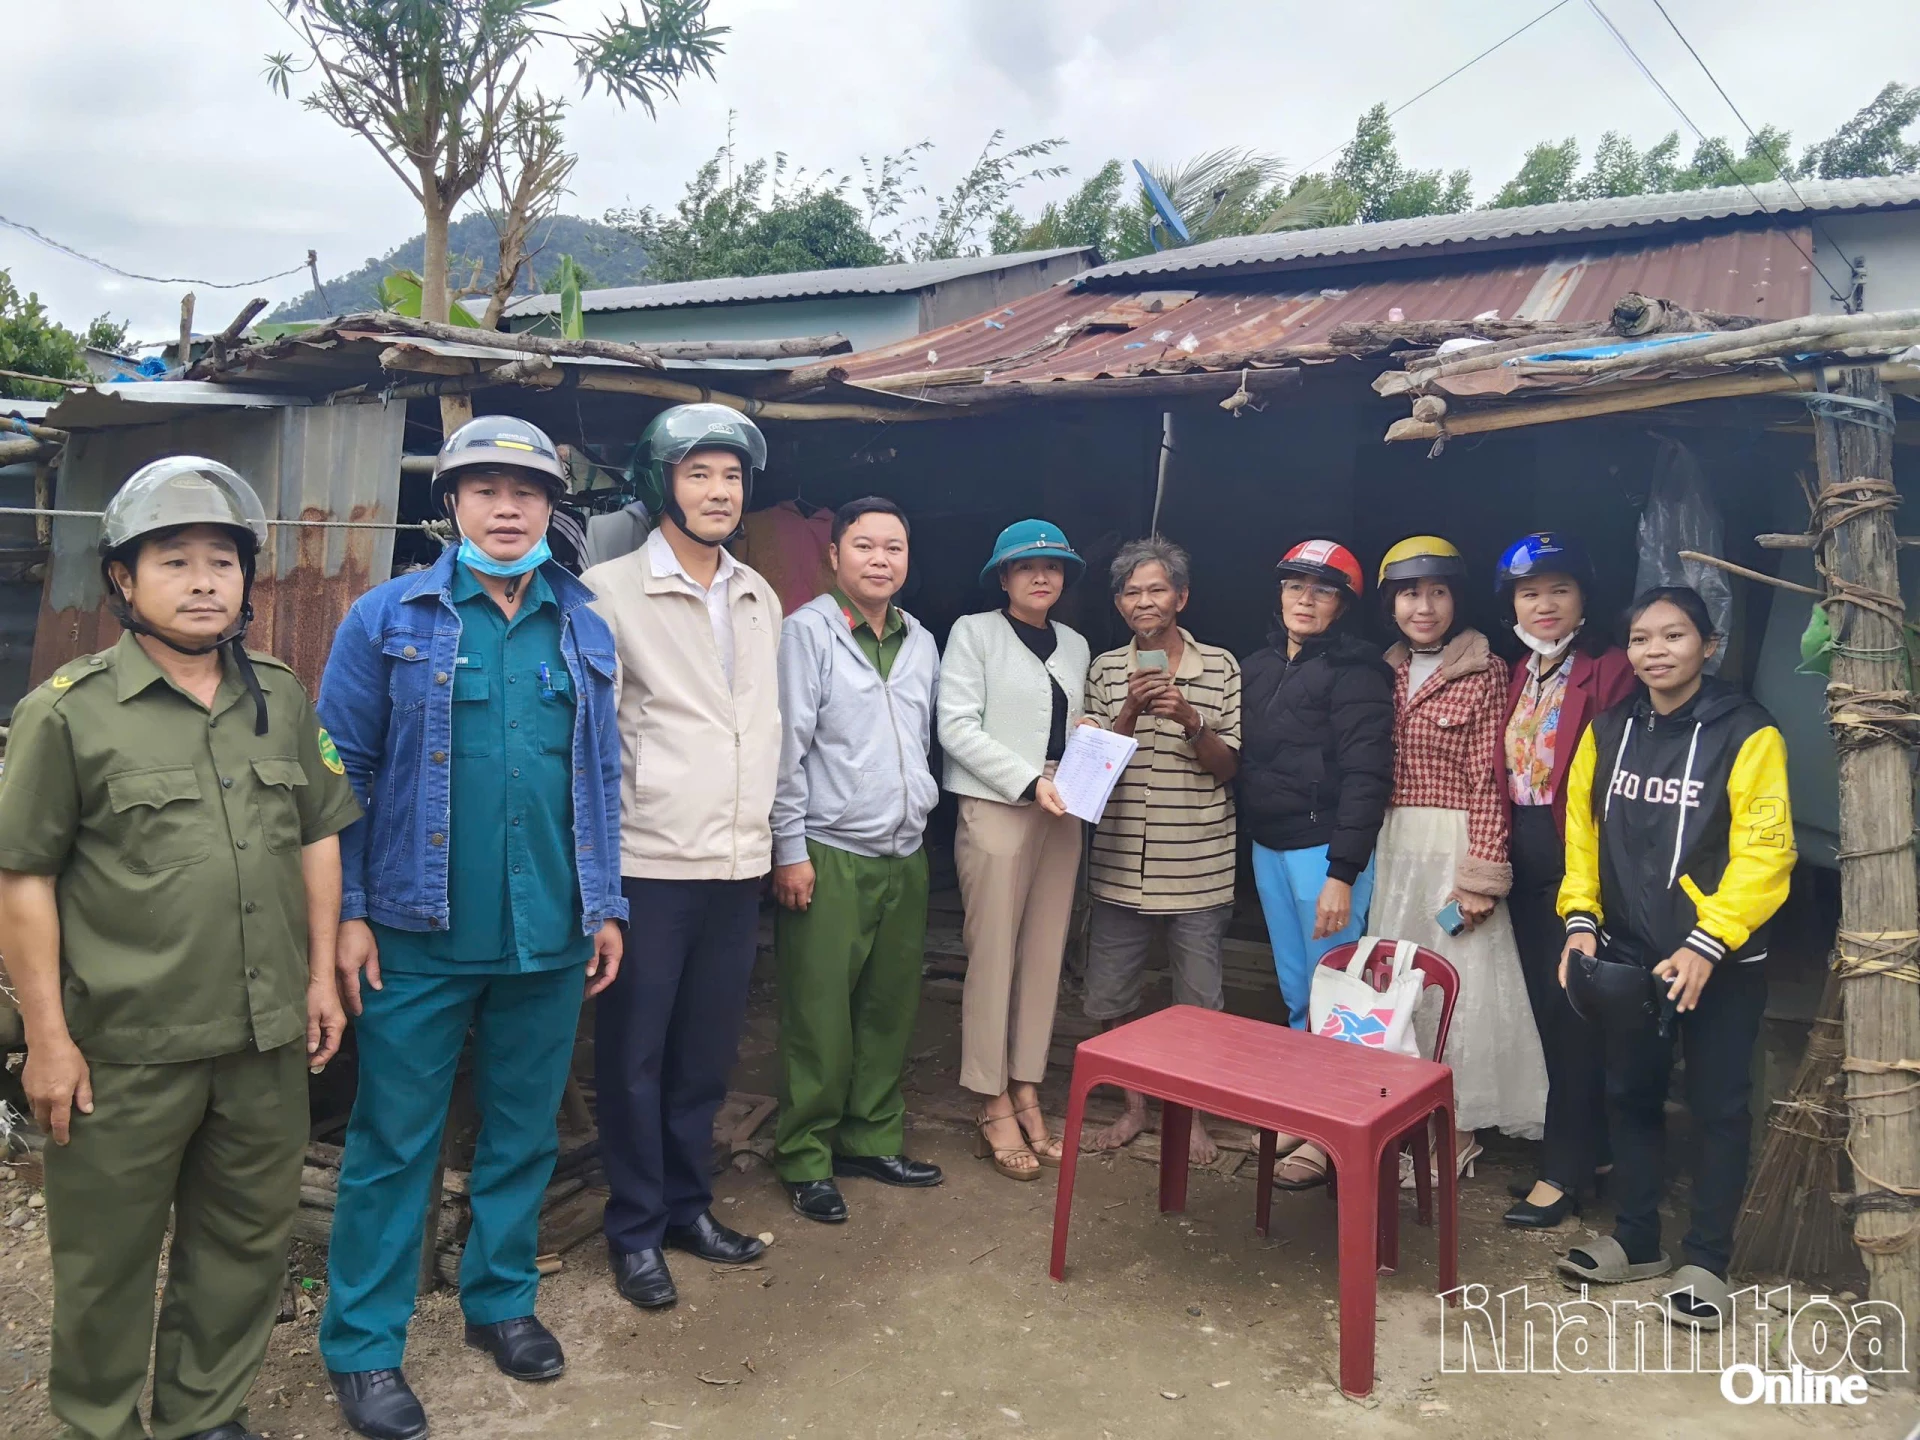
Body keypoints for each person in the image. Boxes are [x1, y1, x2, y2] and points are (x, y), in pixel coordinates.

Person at [0, 457, 360, 1440]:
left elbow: (317, 833)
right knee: (105, 1261)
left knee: (242, 1245)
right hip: (121, 1048)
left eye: (221, 561)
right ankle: (99, 1422)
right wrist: (46, 1037)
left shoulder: (280, 698)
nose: (203, 581)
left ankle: (203, 1411)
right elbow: (22, 875)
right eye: (174, 560)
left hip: (260, 1038)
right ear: (122, 579)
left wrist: (323, 972)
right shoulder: (67, 713)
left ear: (247, 579)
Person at [316, 417, 626, 1440]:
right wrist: (350, 914)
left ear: (551, 509)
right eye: (484, 489)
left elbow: (600, 777)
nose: (506, 507)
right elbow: (338, 781)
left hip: (550, 930)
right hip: (416, 930)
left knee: (523, 1132)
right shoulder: (385, 618)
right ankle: (364, 1346)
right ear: (450, 504)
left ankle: (500, 1302)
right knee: (392, 1142)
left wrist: (606, 901)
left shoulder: (581, 621)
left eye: (526, 491)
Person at [579, 403, 783, 1308]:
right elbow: (592, 740)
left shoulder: (758, 591)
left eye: (731, 476)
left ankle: (687, 1207)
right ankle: (633, 1229)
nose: (718, 491)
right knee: (635, 1056)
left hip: (737, 864)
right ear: (663, 482)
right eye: (699, 473)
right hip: (650, 865)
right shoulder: (610, 590)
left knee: (705, 1054)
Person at [1553, 586, 1793, 1330]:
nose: (1655, 651)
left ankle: (1707, 1260)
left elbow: (1767, 852)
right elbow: (1583, 834)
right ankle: (1637, 1238)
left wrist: (1708, 939)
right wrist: (1580, 920)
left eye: (1674, 636)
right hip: (1629, 952)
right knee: (1631, 1093)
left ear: (1708, 646)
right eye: (1641, 638)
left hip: (1721, 958)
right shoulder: (1609, 730)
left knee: (1720, 1104)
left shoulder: (1748, 733)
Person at [769, 496, 944, 1223]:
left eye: (894, 547)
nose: (881, 559)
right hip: (827, 851)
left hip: (904, 851)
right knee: (820, 1015)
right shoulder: (805, 634)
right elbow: (787, 749)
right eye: (865, 546)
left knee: (887, 1006)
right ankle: (806, 1154)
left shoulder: (922, 641)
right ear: (834, 556)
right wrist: (788, 850)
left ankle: (870, 1138)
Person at [1364, 537, 1547, 1187]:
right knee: (1397, 987)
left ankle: (1459, 1130)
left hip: (1449, 849)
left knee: (1456, 987)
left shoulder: (1485, 669)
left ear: (1455, 600)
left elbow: (1487, 781)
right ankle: (1401, 1119)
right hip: (1391, 850)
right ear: (1391, 603)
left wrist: (1480, 874)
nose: (1424, 606)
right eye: (1410, 593)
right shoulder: (1379, 669)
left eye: (1437, 592)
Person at [1080, 538, 1242, 1164]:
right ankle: (1133, 1108)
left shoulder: (1221, 667)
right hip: (1120, 863)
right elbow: (1090, 775)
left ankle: (1190, 1116)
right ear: (1119, 605)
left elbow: (1229, 770)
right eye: (1131, 592)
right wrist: (1126, 711)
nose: (1144, 601)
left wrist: (1191, 721)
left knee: (1198, 998)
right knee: (1109, 995)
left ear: (1181, 597)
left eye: (1156, 589)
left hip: (1197, 862)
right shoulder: (1101, 669)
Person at [938, 519, 1091, 1182]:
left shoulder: (1077, 644)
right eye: (1026, 567)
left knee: (1044, 953)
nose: (1041, 576)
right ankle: (989, 1094)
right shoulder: (975, 633)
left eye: (1053, 566)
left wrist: (1084, 744)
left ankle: (1027, 1081)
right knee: (994, 953)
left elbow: (1068, 725)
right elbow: (954, 726)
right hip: (999, 807)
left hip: (1064, 810)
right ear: (1003, 577)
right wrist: (1028, 779)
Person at [1239, 539, 1393, 1191]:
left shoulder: (1358, 672)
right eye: (1295, 585)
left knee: (1342, 996)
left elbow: (1367, 775)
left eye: (1323, 589)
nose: (1306, 598)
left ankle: (1338, 1134)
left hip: (1321, 853)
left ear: (1344, 605)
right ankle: (1308, 1114)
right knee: (1298, 988)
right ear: (1278, 594)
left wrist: (1342, 871)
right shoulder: (1255, 664)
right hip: (1269, 847)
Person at [1495, 532, 1638, 1230]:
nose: (1544, 604)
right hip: (1524, 860)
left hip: (1580, 863)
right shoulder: (1524, 670)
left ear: (1585, 596)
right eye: (1529, 592)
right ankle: (1595, 1152)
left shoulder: (1610, 670)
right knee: (1549, 1013)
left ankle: (1564, 1173)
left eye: (1559, 589)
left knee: (1571, 1011)